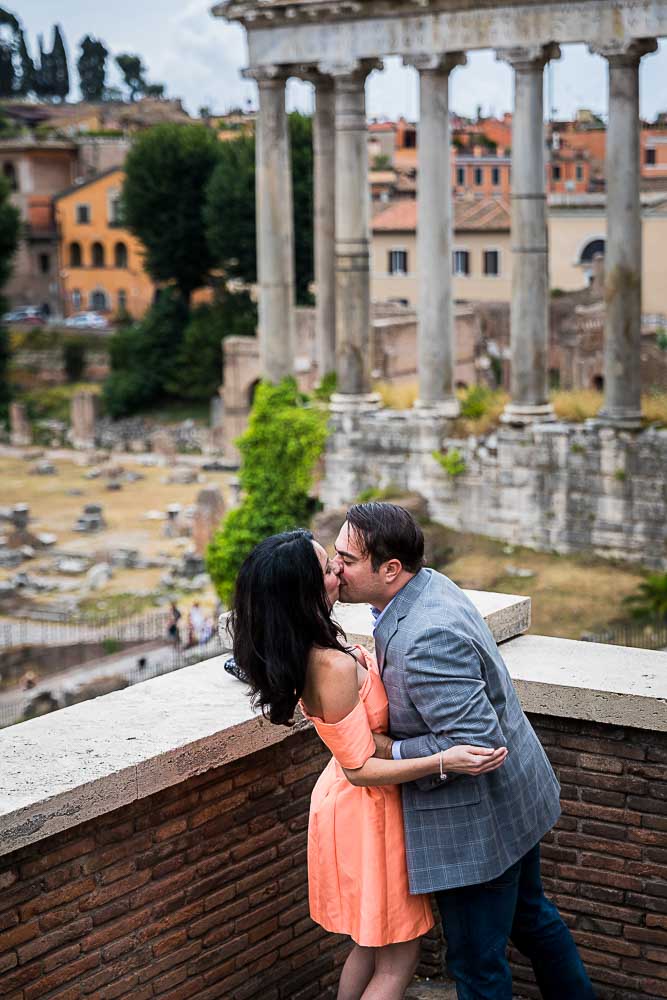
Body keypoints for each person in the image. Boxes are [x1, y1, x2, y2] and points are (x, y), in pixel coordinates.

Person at [333, 502, 596, 1000]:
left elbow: (476, 742)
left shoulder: (424, 636)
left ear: (390, 569)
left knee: (476, 964)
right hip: (517, 800)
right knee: (534, 920)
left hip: (477, 830)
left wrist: (390, 748)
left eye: (346, 559)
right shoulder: (427, 585)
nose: (336, 568)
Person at [231, 529, 507, 1000]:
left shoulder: (309, 644)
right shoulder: (329, 665)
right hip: (367, 814)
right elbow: (358, 767)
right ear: (306, 592)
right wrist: (445, 758)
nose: (338, 568)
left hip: (356, 806)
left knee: (368, 943)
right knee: (398, 960)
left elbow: (361, 742)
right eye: (326, 567)